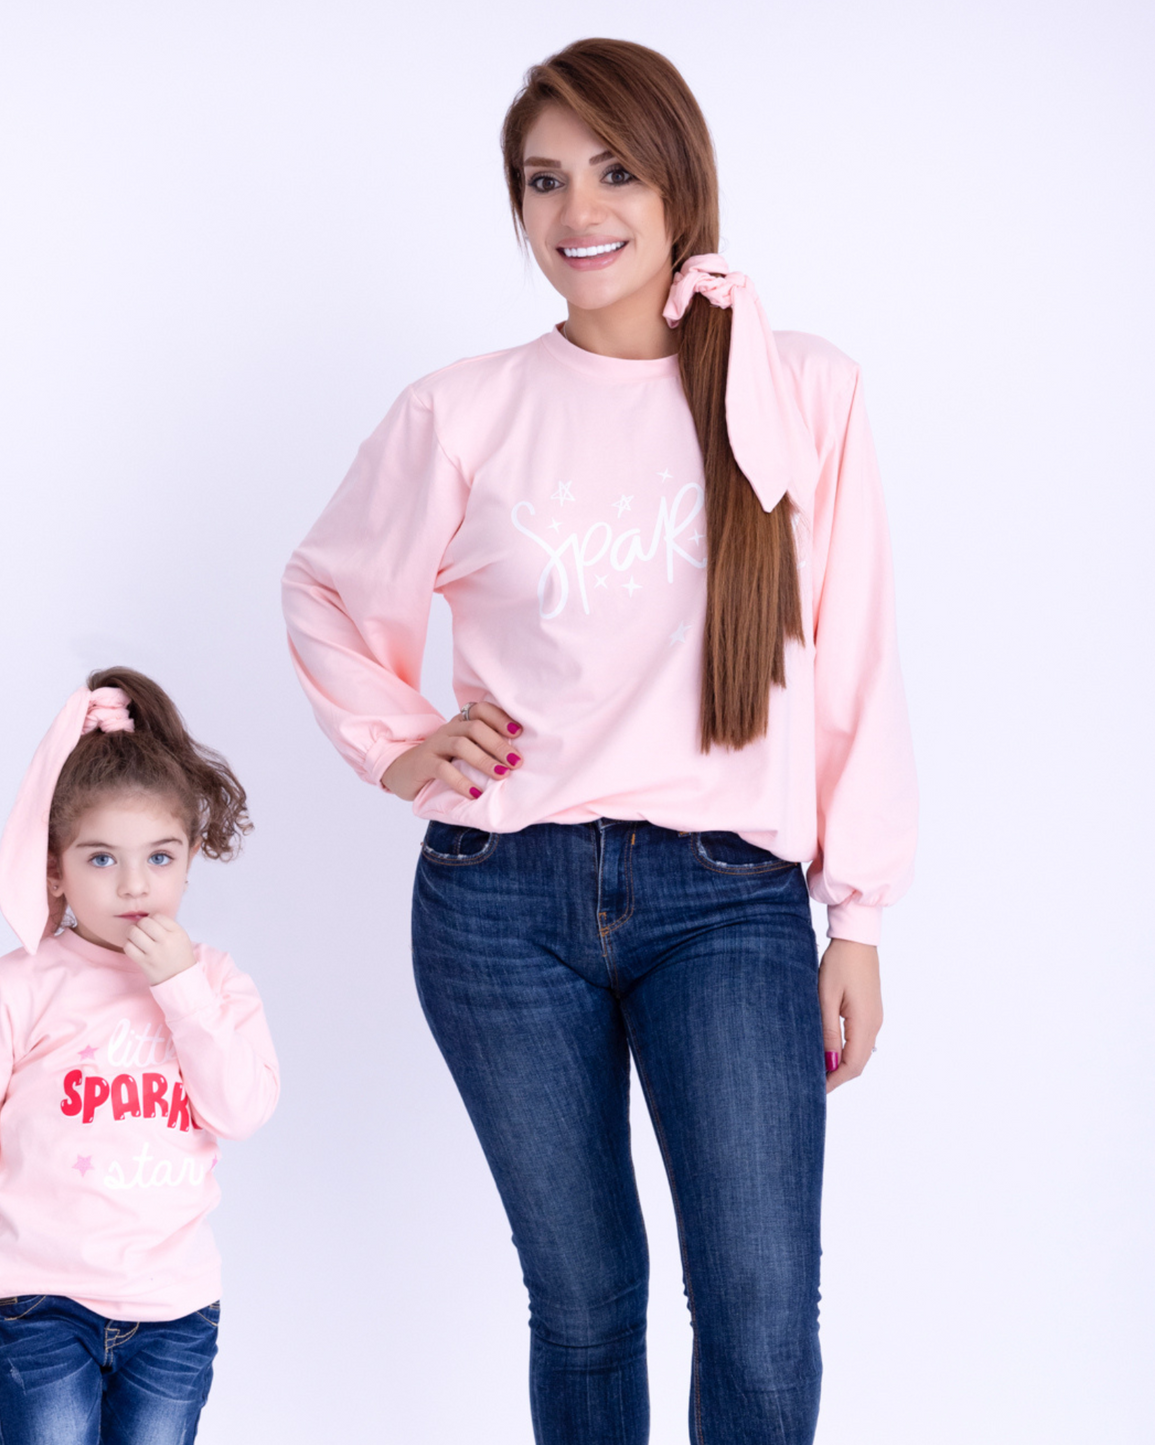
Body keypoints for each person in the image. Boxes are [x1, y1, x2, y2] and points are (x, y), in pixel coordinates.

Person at [281, 37, 915, 1445]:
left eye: (614, 170)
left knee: (758, 1313)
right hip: (499, 900)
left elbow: (856, 655)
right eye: (542, 179)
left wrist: (858, 918)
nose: (577, 209)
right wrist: (399, 739)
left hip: (727, 898)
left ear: (680, 180)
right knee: (582, 1303)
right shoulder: (461, 410)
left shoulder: (800, 389)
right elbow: (324, 588)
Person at [0, 668, 279, 1445]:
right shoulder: (18, 984)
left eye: (160, 857)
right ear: (56, 867)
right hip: (37, 1301)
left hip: (174, 1309)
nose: (134, 885)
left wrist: (179, 988)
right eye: (102, 859)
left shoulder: (214, 982)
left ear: (190, 856)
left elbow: (241, 1110)